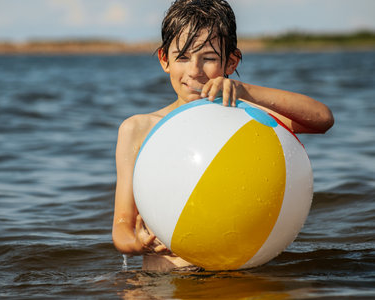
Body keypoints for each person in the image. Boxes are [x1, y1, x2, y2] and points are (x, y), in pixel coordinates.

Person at [112, 0, 334, 272]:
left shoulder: (246, 121)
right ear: (164, 59)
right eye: (182, 57)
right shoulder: (138, 129)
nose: (194, 70)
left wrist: (245, 91)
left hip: (232, 271)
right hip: (163, 277)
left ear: (231, 61)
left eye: (208, 58)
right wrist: (138, 243)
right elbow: (121, 228)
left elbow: (322, 119)